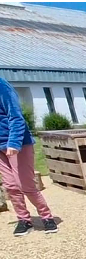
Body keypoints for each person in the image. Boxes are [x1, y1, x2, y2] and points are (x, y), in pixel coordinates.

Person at [0, 76, 57, 236]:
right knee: (10, 186)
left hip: (18, 143)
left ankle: (46, 217)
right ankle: (24, 220)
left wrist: (14, 142)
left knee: (24, 184)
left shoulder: (2, 86)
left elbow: (15, 116)